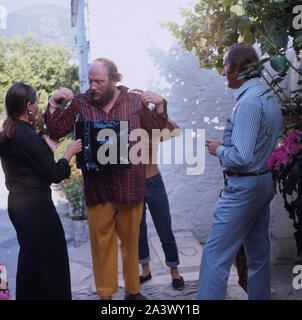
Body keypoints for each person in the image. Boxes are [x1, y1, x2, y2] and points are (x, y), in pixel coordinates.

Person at [44, 58, 169, 300]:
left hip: (130, 184)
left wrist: (160, 105)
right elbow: (57, 130)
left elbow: (156, 129)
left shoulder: (134, 100)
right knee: (101, 245)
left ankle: (133, 291)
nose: (93, 86)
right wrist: (53, 102)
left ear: (114, 80)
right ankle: (105, 295)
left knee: (132, 242)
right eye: (91, 81)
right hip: (97, 187)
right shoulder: (80, 102)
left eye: (99, 81)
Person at [197, 43, 283, 300]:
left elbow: (242, 157)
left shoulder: (248, 103)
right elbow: (258, 147)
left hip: (244, 187)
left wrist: (220, 150)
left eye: (225, 66)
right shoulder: (268, 98)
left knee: (214, 257)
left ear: (236, 68)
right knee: (258, 256)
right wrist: (228, 145)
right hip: (262, 182)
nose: (223, 73)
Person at [0, 82, 82, 300]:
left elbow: (29, 164)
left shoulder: (9, 132)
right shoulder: (26, 135)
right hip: (36, 208)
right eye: (37, 101)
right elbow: (54, 174)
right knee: (53, 263)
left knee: (32, 260)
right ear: (29, 106)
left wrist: (48, 147)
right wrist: (69, 153)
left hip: (18, 204)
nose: (38, 105)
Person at [137, 109, 184, 290]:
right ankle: (145, 271)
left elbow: (175, 130)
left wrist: (158, 109)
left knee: (164, 229)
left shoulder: (153, 128)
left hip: (154, 182)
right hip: (133, 185)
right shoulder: (125, 128)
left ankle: (175, 272)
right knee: (139, 230)